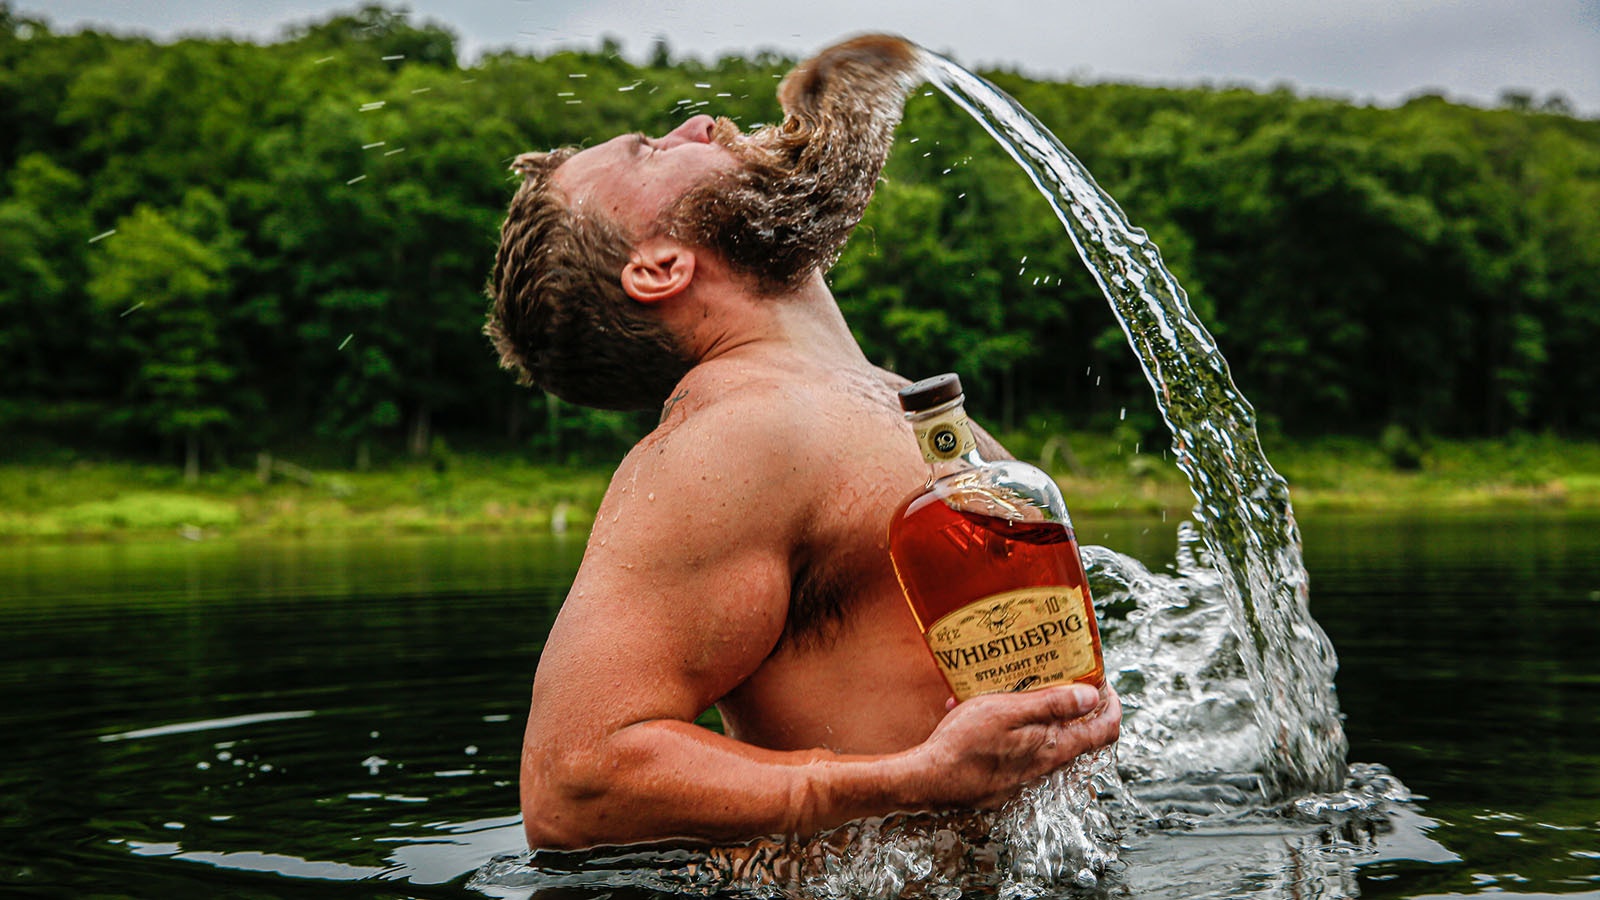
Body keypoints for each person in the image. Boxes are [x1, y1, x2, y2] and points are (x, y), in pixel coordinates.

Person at [487, 33, 1120, 851]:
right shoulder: (730, 440)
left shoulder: (895, 400)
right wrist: (917, 780)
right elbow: (574, 782)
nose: (704, 125)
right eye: (651, 152)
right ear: (658, 267)